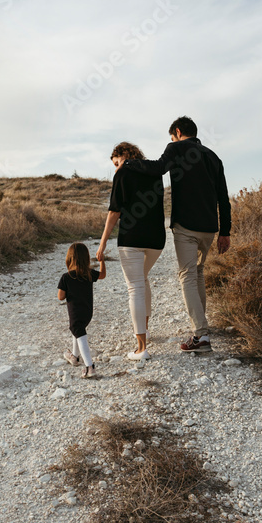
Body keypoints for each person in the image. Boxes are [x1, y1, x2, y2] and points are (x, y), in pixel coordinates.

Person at [125, 116, 231, 353]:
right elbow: (223, 199)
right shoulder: (214, 157)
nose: (171, 140)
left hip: (186, 226)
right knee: (198, 274)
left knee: (187, 276)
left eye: (171, 136)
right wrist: (226, 231)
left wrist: (130, 164)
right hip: (210, 228)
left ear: (178, 132)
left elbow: (157, 168)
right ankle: (201, 330)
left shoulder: (176, 147)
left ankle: (201, 336)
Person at [95, 142, 165, 361]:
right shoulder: (155, 170)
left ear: (122, 156)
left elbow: (114, 211)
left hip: (132, 237)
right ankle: (145, 329)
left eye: (116, 163)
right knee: (142, 280)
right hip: (156, 238)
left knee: (135, 287)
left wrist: (103, 242)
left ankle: (141, 348)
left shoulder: (123, 173)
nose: (116, 168)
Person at [56, 242, 105, 378]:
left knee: (79, 333)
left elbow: (60, 297)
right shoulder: (89, 274)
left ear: (69, 259)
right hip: (88, 312)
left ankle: (90, 367)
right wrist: (102, 261)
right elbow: (102, 275)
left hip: (75, 312)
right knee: (76, 331)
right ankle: (75, 357)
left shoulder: (66, 277)